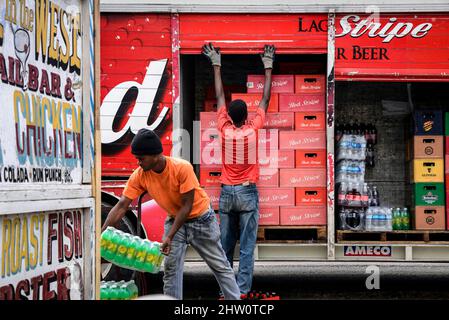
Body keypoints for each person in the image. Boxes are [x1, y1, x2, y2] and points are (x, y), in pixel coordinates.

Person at [102, 128, 240, 300]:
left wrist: (170, 236)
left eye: (141, 158)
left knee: (220, 266)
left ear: (155, 155)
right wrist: (103, 234)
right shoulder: (141, 175)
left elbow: (187, 206)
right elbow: (122, 205)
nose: (138, 162)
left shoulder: (182, 168)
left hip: (201, 220)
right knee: (171, 270)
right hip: (175, 220)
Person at [202, 43, 275, 297]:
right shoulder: (253, 130)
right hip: (247, 194)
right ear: (247, 116)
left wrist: (216, 63)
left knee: (224, 246)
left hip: (226, 194)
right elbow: (265, 99)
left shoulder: (224, 129)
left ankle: (225, 290)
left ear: (229, 116)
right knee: (246, 247)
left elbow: (220, 96)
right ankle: (241, 291)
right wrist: (268, 66)